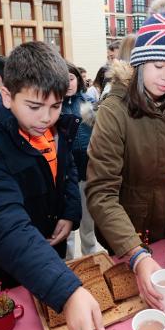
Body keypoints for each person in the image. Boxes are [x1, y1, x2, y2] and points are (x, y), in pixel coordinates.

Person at [0, 41, 103, 330]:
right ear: (8, 96)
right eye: (34, 107)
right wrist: (66, 289)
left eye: (56, 106)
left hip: (47, 257)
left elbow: (67, 170)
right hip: (2, 273)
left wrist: (69, 212)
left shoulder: (54, 126)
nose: (46, 118)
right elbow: (1, 222)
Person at [86, 0, 165, 310]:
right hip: (123, 234)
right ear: (139, 61)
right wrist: (135, 253)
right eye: (158, 65)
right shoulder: (115, 111)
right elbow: (101, 194)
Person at [61, 62, 101, 260]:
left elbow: (99, 135)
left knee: (88, 221)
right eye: (64, 78)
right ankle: (67, 262)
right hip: (63, 174)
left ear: (78, 78)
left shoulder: (88, 102)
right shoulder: (53, 105)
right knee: (66, 222)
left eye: (71, 78)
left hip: (86, 170)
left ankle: (90, 258)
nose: (68, 83)